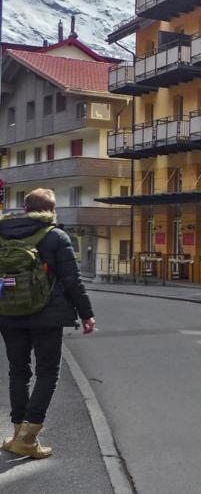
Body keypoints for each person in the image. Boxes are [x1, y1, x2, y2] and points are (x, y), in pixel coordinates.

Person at [0, 188, 95, 459]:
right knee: (47, 372)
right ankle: (29, 439)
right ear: (52, 210)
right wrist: (86, 314)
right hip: (47, 315)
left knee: (18, 371)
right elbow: (72, 280)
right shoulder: (56, 236)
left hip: (8, 312)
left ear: (25, 208)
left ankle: (18, 432)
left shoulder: (2, 233)